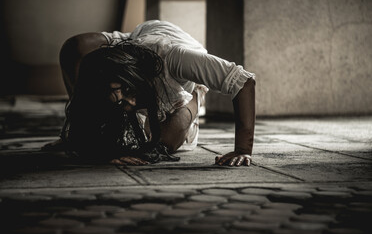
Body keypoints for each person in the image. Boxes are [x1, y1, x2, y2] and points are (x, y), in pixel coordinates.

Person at [43, 20, 256, 167]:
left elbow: (243, 81)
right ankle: (78, 124)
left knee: (166, 142)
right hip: (137, 40)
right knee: (75, 48)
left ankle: (196, 98)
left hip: (162, 43)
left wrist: (242, 149)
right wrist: (101, 150)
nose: (132, 101)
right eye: (122, 102)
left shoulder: (176, 58)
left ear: (131, 74)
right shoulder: (117, 88)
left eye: (127, 90)